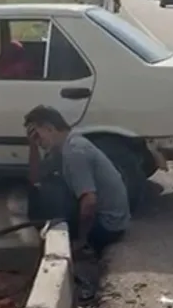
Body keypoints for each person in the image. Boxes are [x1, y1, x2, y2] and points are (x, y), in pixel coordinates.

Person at [24, 105, 130, 258]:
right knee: (44, 189)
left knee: (52, 195)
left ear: (49, 128)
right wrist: (33, 146)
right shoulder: (63, 147)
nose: (38, 141)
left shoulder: (74, 151)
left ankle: (79, 246)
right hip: (111, 221)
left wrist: (81, 240)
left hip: (108, 226)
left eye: (37, 136)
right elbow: (35, 180)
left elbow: (89, 201)